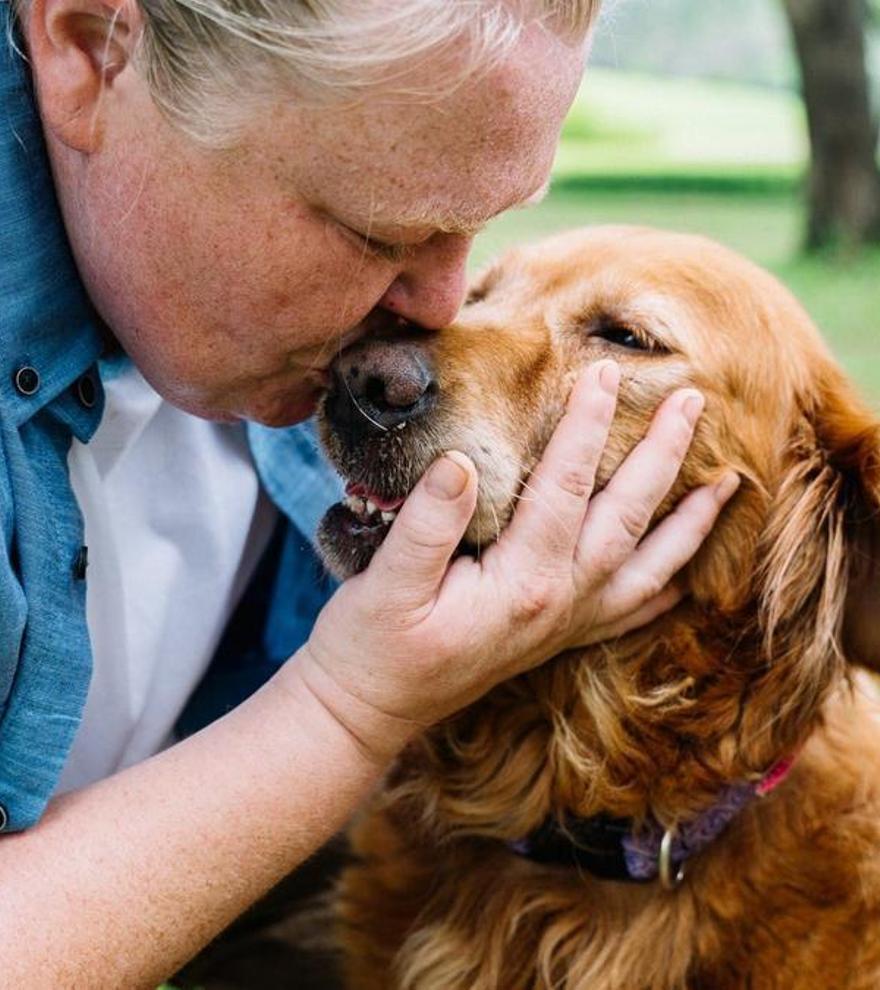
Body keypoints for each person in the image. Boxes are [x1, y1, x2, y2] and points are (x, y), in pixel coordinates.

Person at [0, 0, 742, 984]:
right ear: (90, 52)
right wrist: (345, 710)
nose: (441, 311)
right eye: (374, 231)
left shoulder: (255, 333)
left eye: (476, 228)